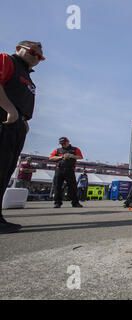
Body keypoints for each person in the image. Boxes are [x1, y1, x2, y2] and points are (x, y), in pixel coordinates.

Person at [0, 40, 44, 234]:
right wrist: (10, 110)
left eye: (40, 56)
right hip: (5, 118)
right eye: (33, 52)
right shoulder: (7, 60)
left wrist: (23, 120)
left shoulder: (27, 75)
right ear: (19, 49)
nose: (36, 57)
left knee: (5, 170)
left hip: (17, 124)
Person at [49, 137, 84, 208]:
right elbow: (51, 158)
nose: (63, 145)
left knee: (73, 187)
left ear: (68, 142)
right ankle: (57, 203)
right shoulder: (58, 150)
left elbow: (80, 157)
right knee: (57, 186)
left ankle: (75, 203)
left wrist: (71, 156)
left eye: (64, 143)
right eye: (61, 144)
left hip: (70, 170)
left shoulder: (75, 149)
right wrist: (61, 157)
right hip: (59, 169)